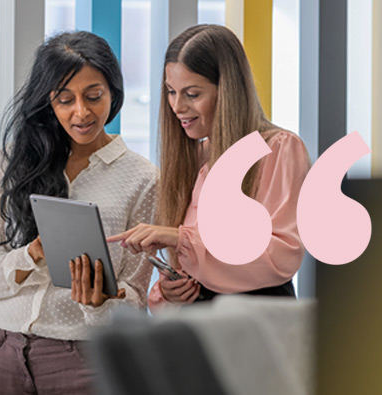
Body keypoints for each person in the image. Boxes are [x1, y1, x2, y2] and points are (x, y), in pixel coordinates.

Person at [0, 31, 157, 395]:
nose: (81, 112)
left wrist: (101, 303)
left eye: (93, 96)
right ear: (48, 102)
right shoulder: (14, 160)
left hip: (83, 360)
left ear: (113, 93)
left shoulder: (142, 178)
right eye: (65, 100)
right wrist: (32, 254)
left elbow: (134, 300)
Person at [107, 24, 311, 309]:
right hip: (197, 332)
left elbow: (279, 256)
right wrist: (170, 290)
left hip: (256, 329)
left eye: (192, 94)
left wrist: (181, 239)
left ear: (228, 92)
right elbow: (196, 273)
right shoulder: (192, 160)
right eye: (171, 92)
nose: (177, 106)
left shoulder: (278, 149)